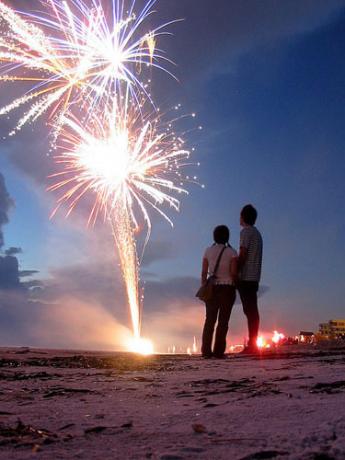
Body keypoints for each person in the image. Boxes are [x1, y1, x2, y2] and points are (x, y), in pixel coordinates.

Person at [201, 225, 237, 358]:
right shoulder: (232, 252)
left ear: (214, 236)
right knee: (223, 321)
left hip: (212, 287)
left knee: (209, 320)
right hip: (227, 288)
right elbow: (233, 273)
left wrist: (204, 286)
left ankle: (206, 351)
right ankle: (218, 351)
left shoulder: (207, 251)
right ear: (227, 237)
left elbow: (204, 272)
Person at [237, 204, 263, 353]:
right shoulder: (257, 233)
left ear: (243, 217)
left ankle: (252, 345)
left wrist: (235, 271)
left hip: (246, 276)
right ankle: (253, 342)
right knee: (252, 309)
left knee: (250, 310)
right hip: (255, 277)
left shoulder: (245, 232)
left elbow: (243, 254)